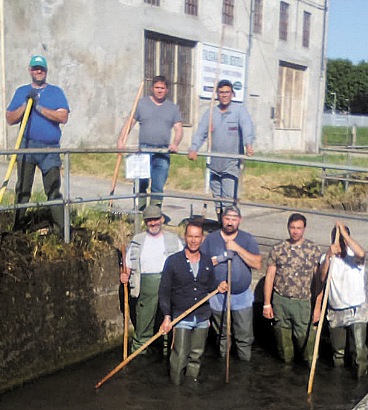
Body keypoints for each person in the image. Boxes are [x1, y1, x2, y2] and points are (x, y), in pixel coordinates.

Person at [159, 220, 228, 385]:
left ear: (202, 238)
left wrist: (220, 286)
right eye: (190, 236)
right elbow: (164, 292)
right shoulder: (173, 261)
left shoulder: (206, 262)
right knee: (180, 353)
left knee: (196, 355)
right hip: (181, 317)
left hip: (202, 317)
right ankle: (175, 387)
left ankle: (191, 386)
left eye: (197, 237)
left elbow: (210, 287)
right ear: (185, 237)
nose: (193, 240)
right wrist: (167, 316)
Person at [6, 55, 70, 234]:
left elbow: (63, 117)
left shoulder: (56, 92)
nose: (38, 71)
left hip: (50, 149)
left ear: (46, 71)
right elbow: (10, 118)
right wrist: (26, 106)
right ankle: (17, 229)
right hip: (27, 147)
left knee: (53, 189)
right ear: (30, 70)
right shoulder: (21, 91)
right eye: (35, 68)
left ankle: (61, 230)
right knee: (23, 189)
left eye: (41, 68)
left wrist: (39, 108)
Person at [200, 206, 262, 361]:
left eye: (234, 219)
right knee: (223, 335)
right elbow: (202, 264)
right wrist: (220, 258)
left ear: (239, 220)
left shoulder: (247, 239)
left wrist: (237, 248)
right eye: (227, 218)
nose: (230, 222)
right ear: (222, 219)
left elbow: (257, 263)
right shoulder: (211, 239)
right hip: (218, 295)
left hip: (241, 297)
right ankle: (223, 362)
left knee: (244, 337)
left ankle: (243, 368)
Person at [188, 79, 255, 219]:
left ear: (232, 94)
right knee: (217, 199)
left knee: (228, 199)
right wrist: (194, 148)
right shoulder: (211, 112)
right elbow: (201, 131)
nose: (224, 95)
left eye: (227, 92)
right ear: (217, 94)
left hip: (231, 164)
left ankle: (230, 228)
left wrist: (248, 144)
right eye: (221, 92)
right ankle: (220, 226)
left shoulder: (239, 111)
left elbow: (247, 126)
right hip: (214, 164)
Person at [120, 205, 183, 353]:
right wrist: (124, 274)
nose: (153, 223)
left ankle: (168, 354)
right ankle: (139, 355)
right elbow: (128, 265)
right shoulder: (138, 240)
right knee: (143, 326)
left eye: (155, 219)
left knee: (167, 324)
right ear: (145, 221)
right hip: (145, 288)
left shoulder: (174, 240)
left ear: (161, 219)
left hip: (169, 286)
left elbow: (184, 263)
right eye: (149, 220)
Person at [117, 76, 183, 210]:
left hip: (163, 151)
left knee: (158, 185)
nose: (159, 90)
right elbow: (130, 123)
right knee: (141, 183)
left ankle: (154, 214)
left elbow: (179, 129)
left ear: (167, 90)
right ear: (152, 88)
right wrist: (121, 140)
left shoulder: (172, 108)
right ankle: (140, 212)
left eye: (162, 88)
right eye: (157, 87)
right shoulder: (141, 104)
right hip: (144, 150)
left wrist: (175, 143)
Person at [263, 213, 321, 365]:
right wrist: (267, 303)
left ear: (304, 229)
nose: (295, 231)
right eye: (292, 228)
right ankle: (286, 368)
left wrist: (317, 307)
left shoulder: (312, 249)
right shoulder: (278, 249)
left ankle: (308, 367)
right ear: (288, 228)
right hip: (281, 300)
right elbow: (270, 276)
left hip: (302, 302)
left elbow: (318, 282)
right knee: (282, 340)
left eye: (299, 228)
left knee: (306, 340)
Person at [319, 222, 368, 379]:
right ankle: (338, 382)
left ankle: (360, 381)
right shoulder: (327, 258)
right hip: (336, 311)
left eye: (342, 241)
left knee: (359, 352)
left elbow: (362, 253)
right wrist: (328, 256)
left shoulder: (354, 257)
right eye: (337, 240)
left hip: (356, 310)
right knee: (338, 353)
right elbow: (321, 278)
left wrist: (345, 236)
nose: (339, 244)